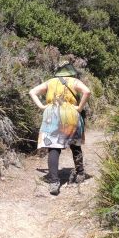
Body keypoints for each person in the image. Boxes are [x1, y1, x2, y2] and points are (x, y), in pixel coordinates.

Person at [28, 61, 91, 195]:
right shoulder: (74, 81)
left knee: (54, 148)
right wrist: (79, 107)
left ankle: (54, 182)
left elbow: (32, 92)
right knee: (75, 145)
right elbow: (87, 91)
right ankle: (80, 174)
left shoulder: (50, 82)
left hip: (52, 115)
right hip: (70, 115)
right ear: (70, 72)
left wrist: (41, 106)